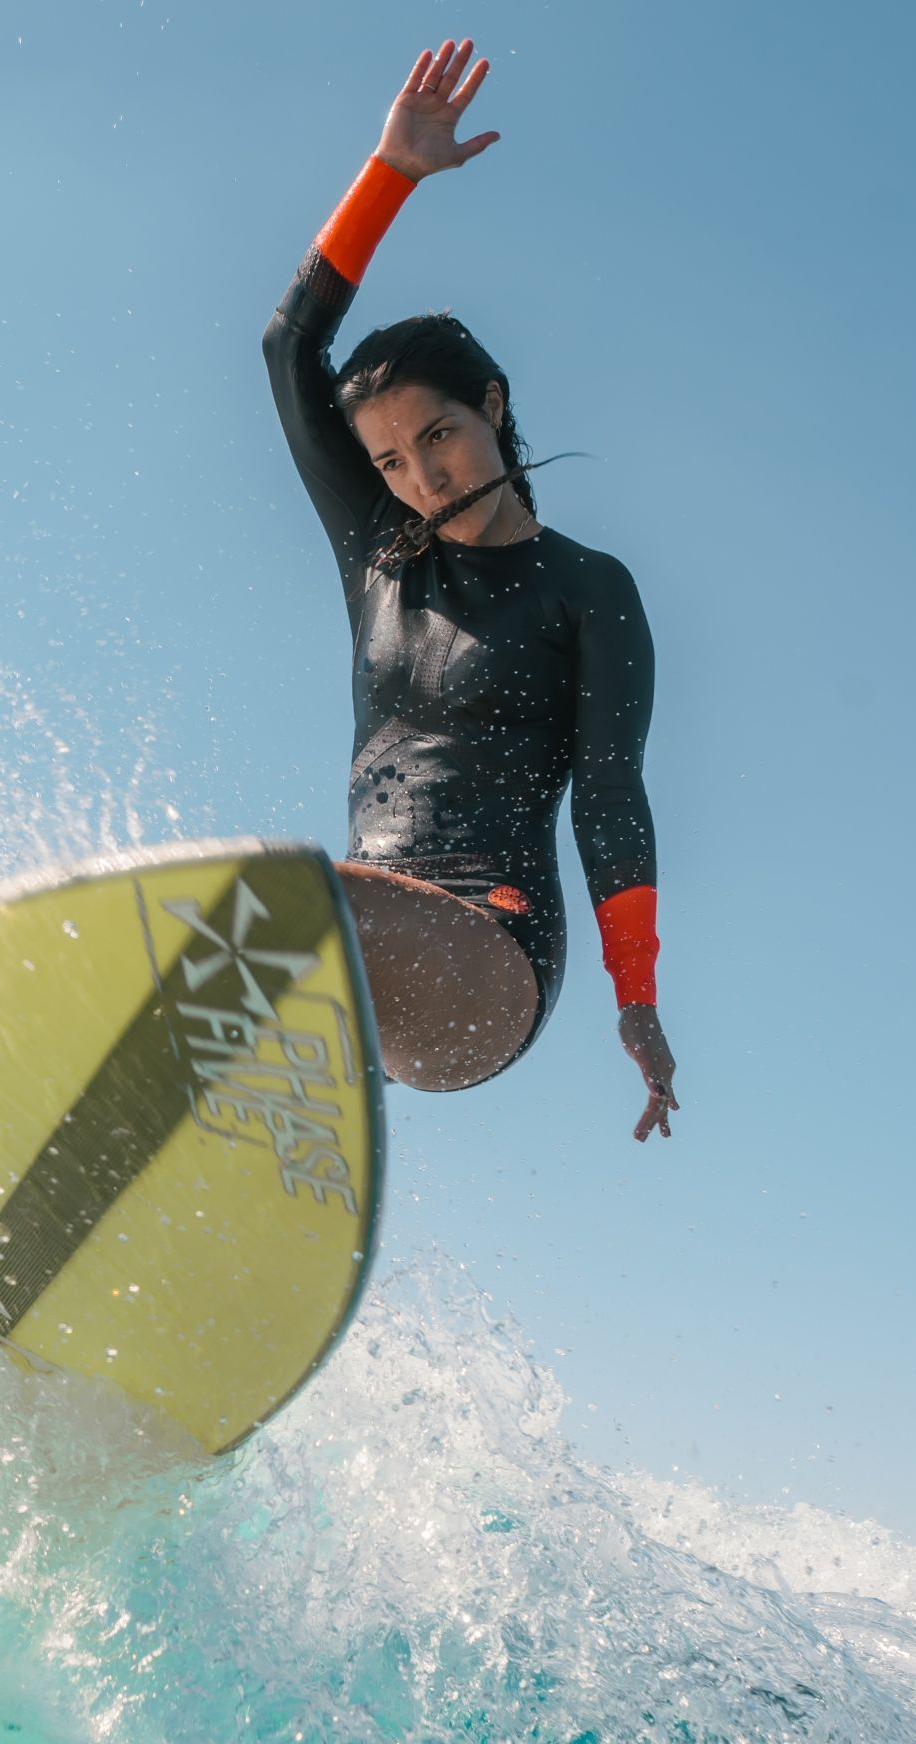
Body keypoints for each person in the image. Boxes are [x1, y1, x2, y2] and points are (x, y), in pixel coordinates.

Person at [263, 36, 680, 1141]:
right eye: (391, 462)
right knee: (241, 928)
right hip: (359, 927)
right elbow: (285, 346)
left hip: (488, 955)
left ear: (491, 405)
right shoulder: (381, 554)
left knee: (266, 905)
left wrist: (633, 997)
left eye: (437, 437)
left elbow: (607, 793)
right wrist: (388, 172)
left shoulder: (585, 588)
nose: (420, 479)